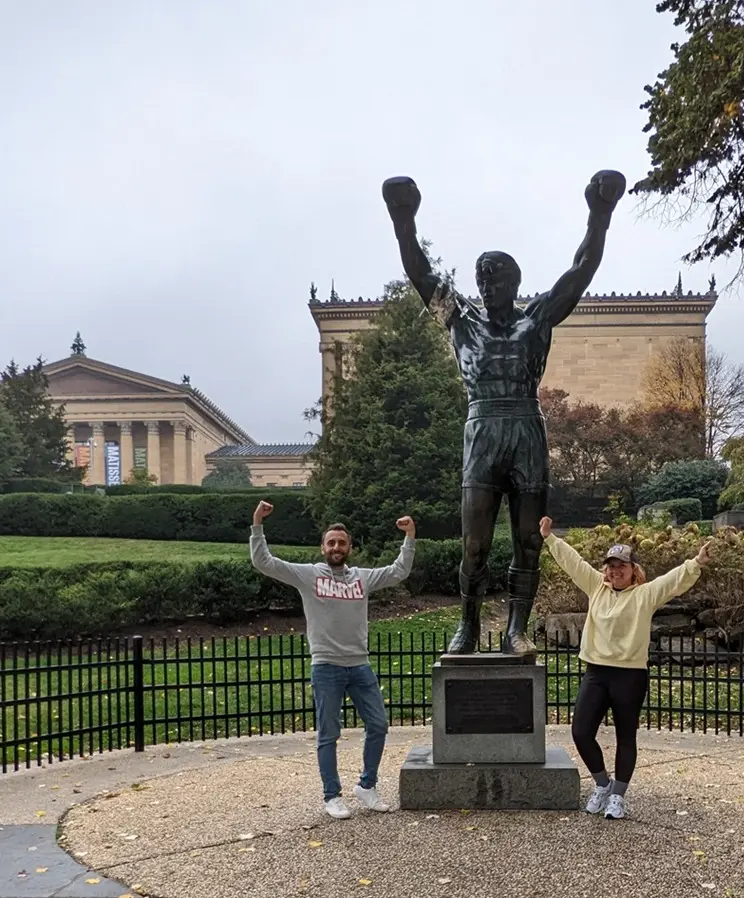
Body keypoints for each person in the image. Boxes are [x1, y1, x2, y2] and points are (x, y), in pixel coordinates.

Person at [382, 169, 625, 655]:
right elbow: (419, 272)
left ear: (514, 282)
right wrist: (402, 218)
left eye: (494, 278)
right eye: (481, 279)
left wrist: (600, 214)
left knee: (527, 542)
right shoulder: (460, 319)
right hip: (483, 428)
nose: (486, 286)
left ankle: (515, 630)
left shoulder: (537, 317)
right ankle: (468, 627)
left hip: (526, 430)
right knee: (475, 544)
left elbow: (581, 270)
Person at [249, 500, 416, 819]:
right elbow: (264, 562)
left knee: (379, 725)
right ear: (323, 547)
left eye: (341, 542)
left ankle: (366, 786)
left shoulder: (362, 578)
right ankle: (332, 795)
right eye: (331, 542)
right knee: (329, 733)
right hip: (325, 665)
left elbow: (398, 572)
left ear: (349, 547)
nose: (336, 547)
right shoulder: (308, 576)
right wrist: (258, 522)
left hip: (360, 665)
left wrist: (409, 537)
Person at [539, 515, 712, 820]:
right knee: (580, 731)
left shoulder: (644, 595)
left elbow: (671, 581)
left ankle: (618, 795)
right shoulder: (596, 587)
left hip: (630, 675)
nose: (615, 570)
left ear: (633, 570)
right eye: (610, 565)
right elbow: (573, 562)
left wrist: (696, 562)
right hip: (596, 671)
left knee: (625, 737)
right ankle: (603, 784)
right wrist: (550, 538)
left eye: (621, 565)